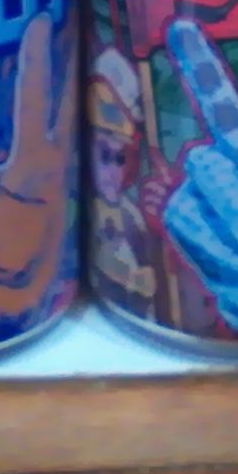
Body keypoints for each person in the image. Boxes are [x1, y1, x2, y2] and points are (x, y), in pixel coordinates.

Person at [87, 77, 156, 318]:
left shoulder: (129, 212)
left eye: (120, 159)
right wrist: (131, 277)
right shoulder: (87, 206)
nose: (113, 173)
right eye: (104, 156)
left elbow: (145, 257)